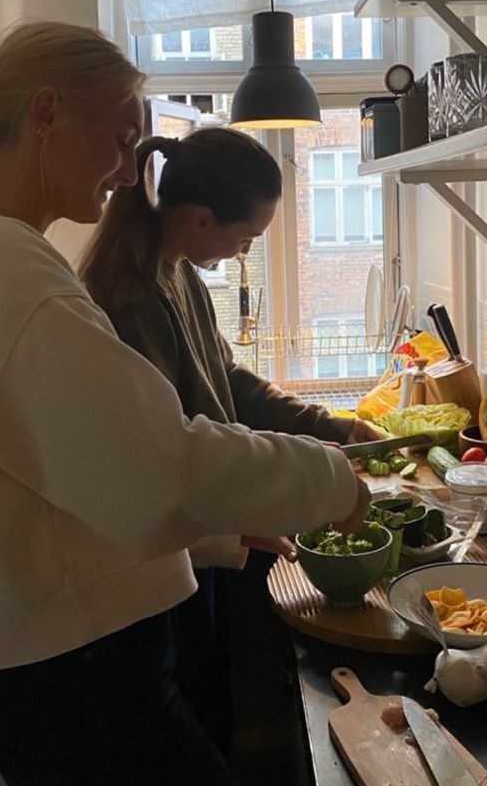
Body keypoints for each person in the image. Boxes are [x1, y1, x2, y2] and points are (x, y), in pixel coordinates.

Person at [0, 21, 370, 786]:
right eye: (117, 137)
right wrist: (333, 478)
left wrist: (235, 525)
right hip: (81, 674)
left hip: (56, 664)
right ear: (45, 114)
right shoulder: (8, 273)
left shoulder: (3, 262)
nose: (126, 168)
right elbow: (159, 468)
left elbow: (84, 476)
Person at [78, 126, 379, 751]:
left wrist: (332, 425)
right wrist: (234, 528)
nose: (245, 252)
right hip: (169, 554)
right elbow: (163, 454)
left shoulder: (179, 273)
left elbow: (229, 382)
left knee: (212, 699)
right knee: (190, 712)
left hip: (205, 536)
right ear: (200, 218)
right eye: (245, 238)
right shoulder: (128, 299)